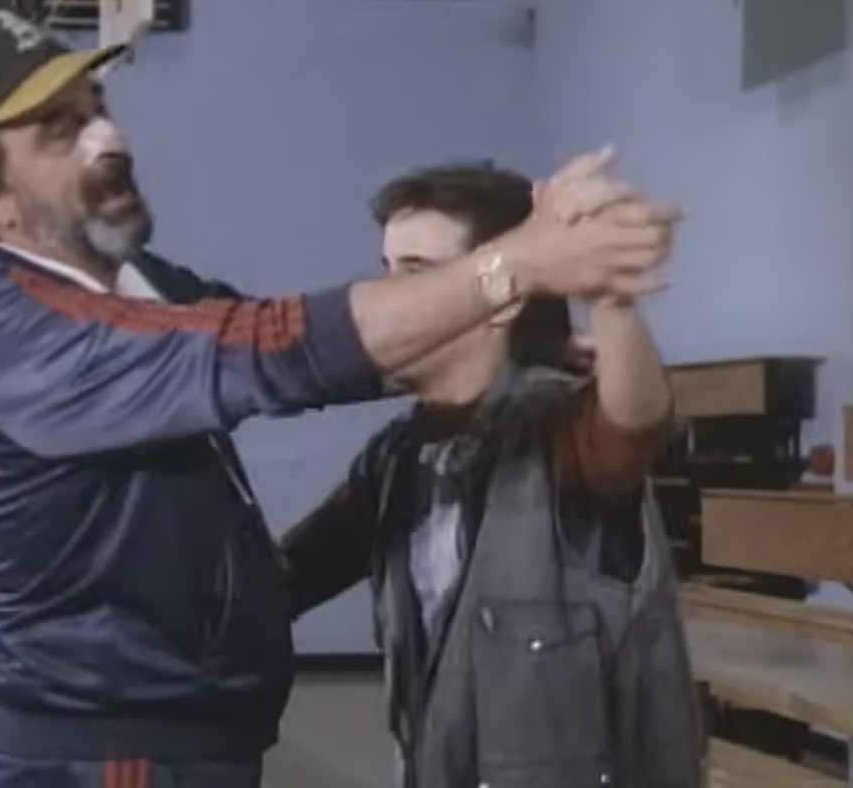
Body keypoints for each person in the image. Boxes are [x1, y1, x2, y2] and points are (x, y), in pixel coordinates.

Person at [0, 4, 678, 788]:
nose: (107, 140)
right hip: (112, 749)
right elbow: (274, 350)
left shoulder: (147, 286)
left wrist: (563, 309)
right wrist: (513, 268)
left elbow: (626, 424)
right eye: (59, 131)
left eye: (97, 108)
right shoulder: (25, 333)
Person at [279, 162, 705, 788]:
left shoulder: (558, 428)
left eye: (417, 273)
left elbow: (633, 425)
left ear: (500, 298)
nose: (389, 298)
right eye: (386, 270)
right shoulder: (394, 458)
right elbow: (284, 581)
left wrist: (610, 300)